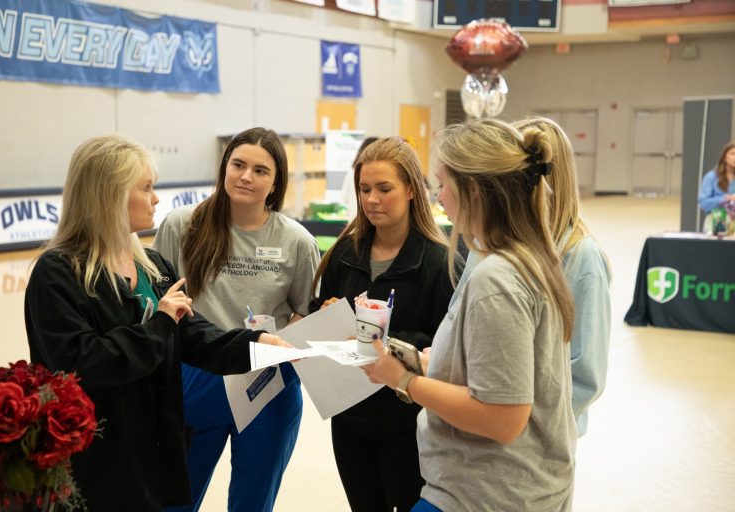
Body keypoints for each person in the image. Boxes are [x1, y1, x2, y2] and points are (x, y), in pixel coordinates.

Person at [24, 133, 291, 511]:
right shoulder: (58, 272)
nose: (156, 199)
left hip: (149, 446)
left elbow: (193, 335)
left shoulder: (152, 266)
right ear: (110, 195)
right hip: (92, 454)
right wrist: (161, 322)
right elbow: (83, 361)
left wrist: (256, 344)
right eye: (146, 188)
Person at [365, 119, 578, 511]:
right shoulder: (526, 259)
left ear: (473, 189)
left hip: (481, 495)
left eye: (443, 184)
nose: (439, 196)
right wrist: (436, 364)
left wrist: (403, 379)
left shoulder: (498, 279)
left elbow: (503, 417)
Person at [153, 127, 319, 512]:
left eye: (261, 171)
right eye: (238, 165)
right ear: (224, 166)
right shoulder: (182, 225)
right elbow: (157, 302)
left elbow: (306, 312)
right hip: (196, 375)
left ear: (276, 181)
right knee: (173, 500)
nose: (246, 176)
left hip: (266, 384)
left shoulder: (297, 241)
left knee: (253, 503)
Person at [309, 137, 460, 512]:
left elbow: (446, 346)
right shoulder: (345, 253)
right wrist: (324, 313)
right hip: (350, 416)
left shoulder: (439, 263)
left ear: (411, 189)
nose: (372, 199)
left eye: (384, 188)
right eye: (364, 189)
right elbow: (318, 314)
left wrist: (381, 342)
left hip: (407, 419)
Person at [512, 117, 611, 436]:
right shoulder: (498, 244)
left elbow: (585, 374)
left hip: (540, 435)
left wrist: (520, 422)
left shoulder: (582, 258)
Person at [340, 136, 379, 220]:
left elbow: (344, 198)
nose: (371, 199)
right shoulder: (353, 172)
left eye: (384, 190)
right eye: (365, 190)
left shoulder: (351, 172)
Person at [698, 141, 735, 214]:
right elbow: (703, 203)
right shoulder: (711, 177)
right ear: (724, 157)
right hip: (717, 219)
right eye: (732, 153)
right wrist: (726, 199)